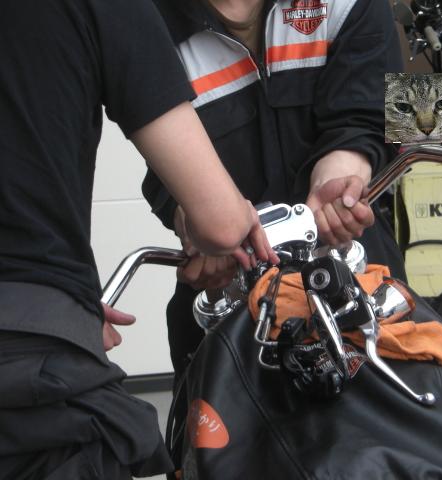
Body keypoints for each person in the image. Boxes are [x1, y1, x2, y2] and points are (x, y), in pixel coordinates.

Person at [0, 0, 276, 479]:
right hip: (217, 306)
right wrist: (184, 217)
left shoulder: (360, 8)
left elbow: (409, 118)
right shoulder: (157, 13)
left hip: (359, 277)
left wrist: (352, 167)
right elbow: (158, 172)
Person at [142, 0, 406, 382]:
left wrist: (341, 183)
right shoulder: (145, 26)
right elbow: (158, 168)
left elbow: (389, 115)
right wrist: (193, 222)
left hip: (358, 281)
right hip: (229, 295)